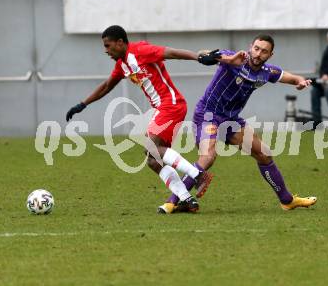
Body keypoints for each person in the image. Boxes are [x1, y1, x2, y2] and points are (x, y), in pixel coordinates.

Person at [66, 25, 240, 213]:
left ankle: (197, 174)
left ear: (120, 42)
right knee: (152, 160)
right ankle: (187, 199)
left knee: (151, 147)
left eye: (108, 46)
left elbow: (171, 52)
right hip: (162, 108)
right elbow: (107, 86)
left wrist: (198, 57)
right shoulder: (122, 65)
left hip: (171, 104)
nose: (105, 50)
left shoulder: (139, 50)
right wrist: (83, 104)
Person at [158, 34, 317, 214]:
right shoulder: (234, 58)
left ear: (270, 55)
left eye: (264, 51)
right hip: (208, 114)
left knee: (263, 154)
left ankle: (287, 201)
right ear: (251, 47)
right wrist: (228, 59)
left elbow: (284, 76)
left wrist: (299, 81)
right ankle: (173, 201)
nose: (258, 54)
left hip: (231, 120)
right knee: (208, 157)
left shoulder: (266, 71)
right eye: (256, 48)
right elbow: (203, 54)